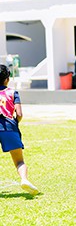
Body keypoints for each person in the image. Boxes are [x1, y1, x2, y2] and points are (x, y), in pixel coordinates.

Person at [0, 65, 39, 195]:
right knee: (19, 161)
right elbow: (19, 113)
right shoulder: (13, 92)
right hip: (9, 127)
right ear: (7, 79)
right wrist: (14, 124)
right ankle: (24, 179)